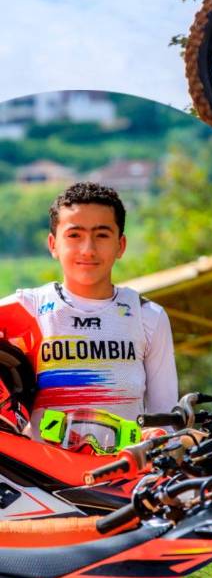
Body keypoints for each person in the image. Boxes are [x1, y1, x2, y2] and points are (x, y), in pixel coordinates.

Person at [0, 182, 178, 449]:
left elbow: (167, 421)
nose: (88, 249)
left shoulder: (148, 316)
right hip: (42, 484)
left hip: (121, 483)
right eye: (74, 235)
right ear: (53, 244)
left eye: (102, 235)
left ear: (121, 245)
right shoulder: (26, 308)